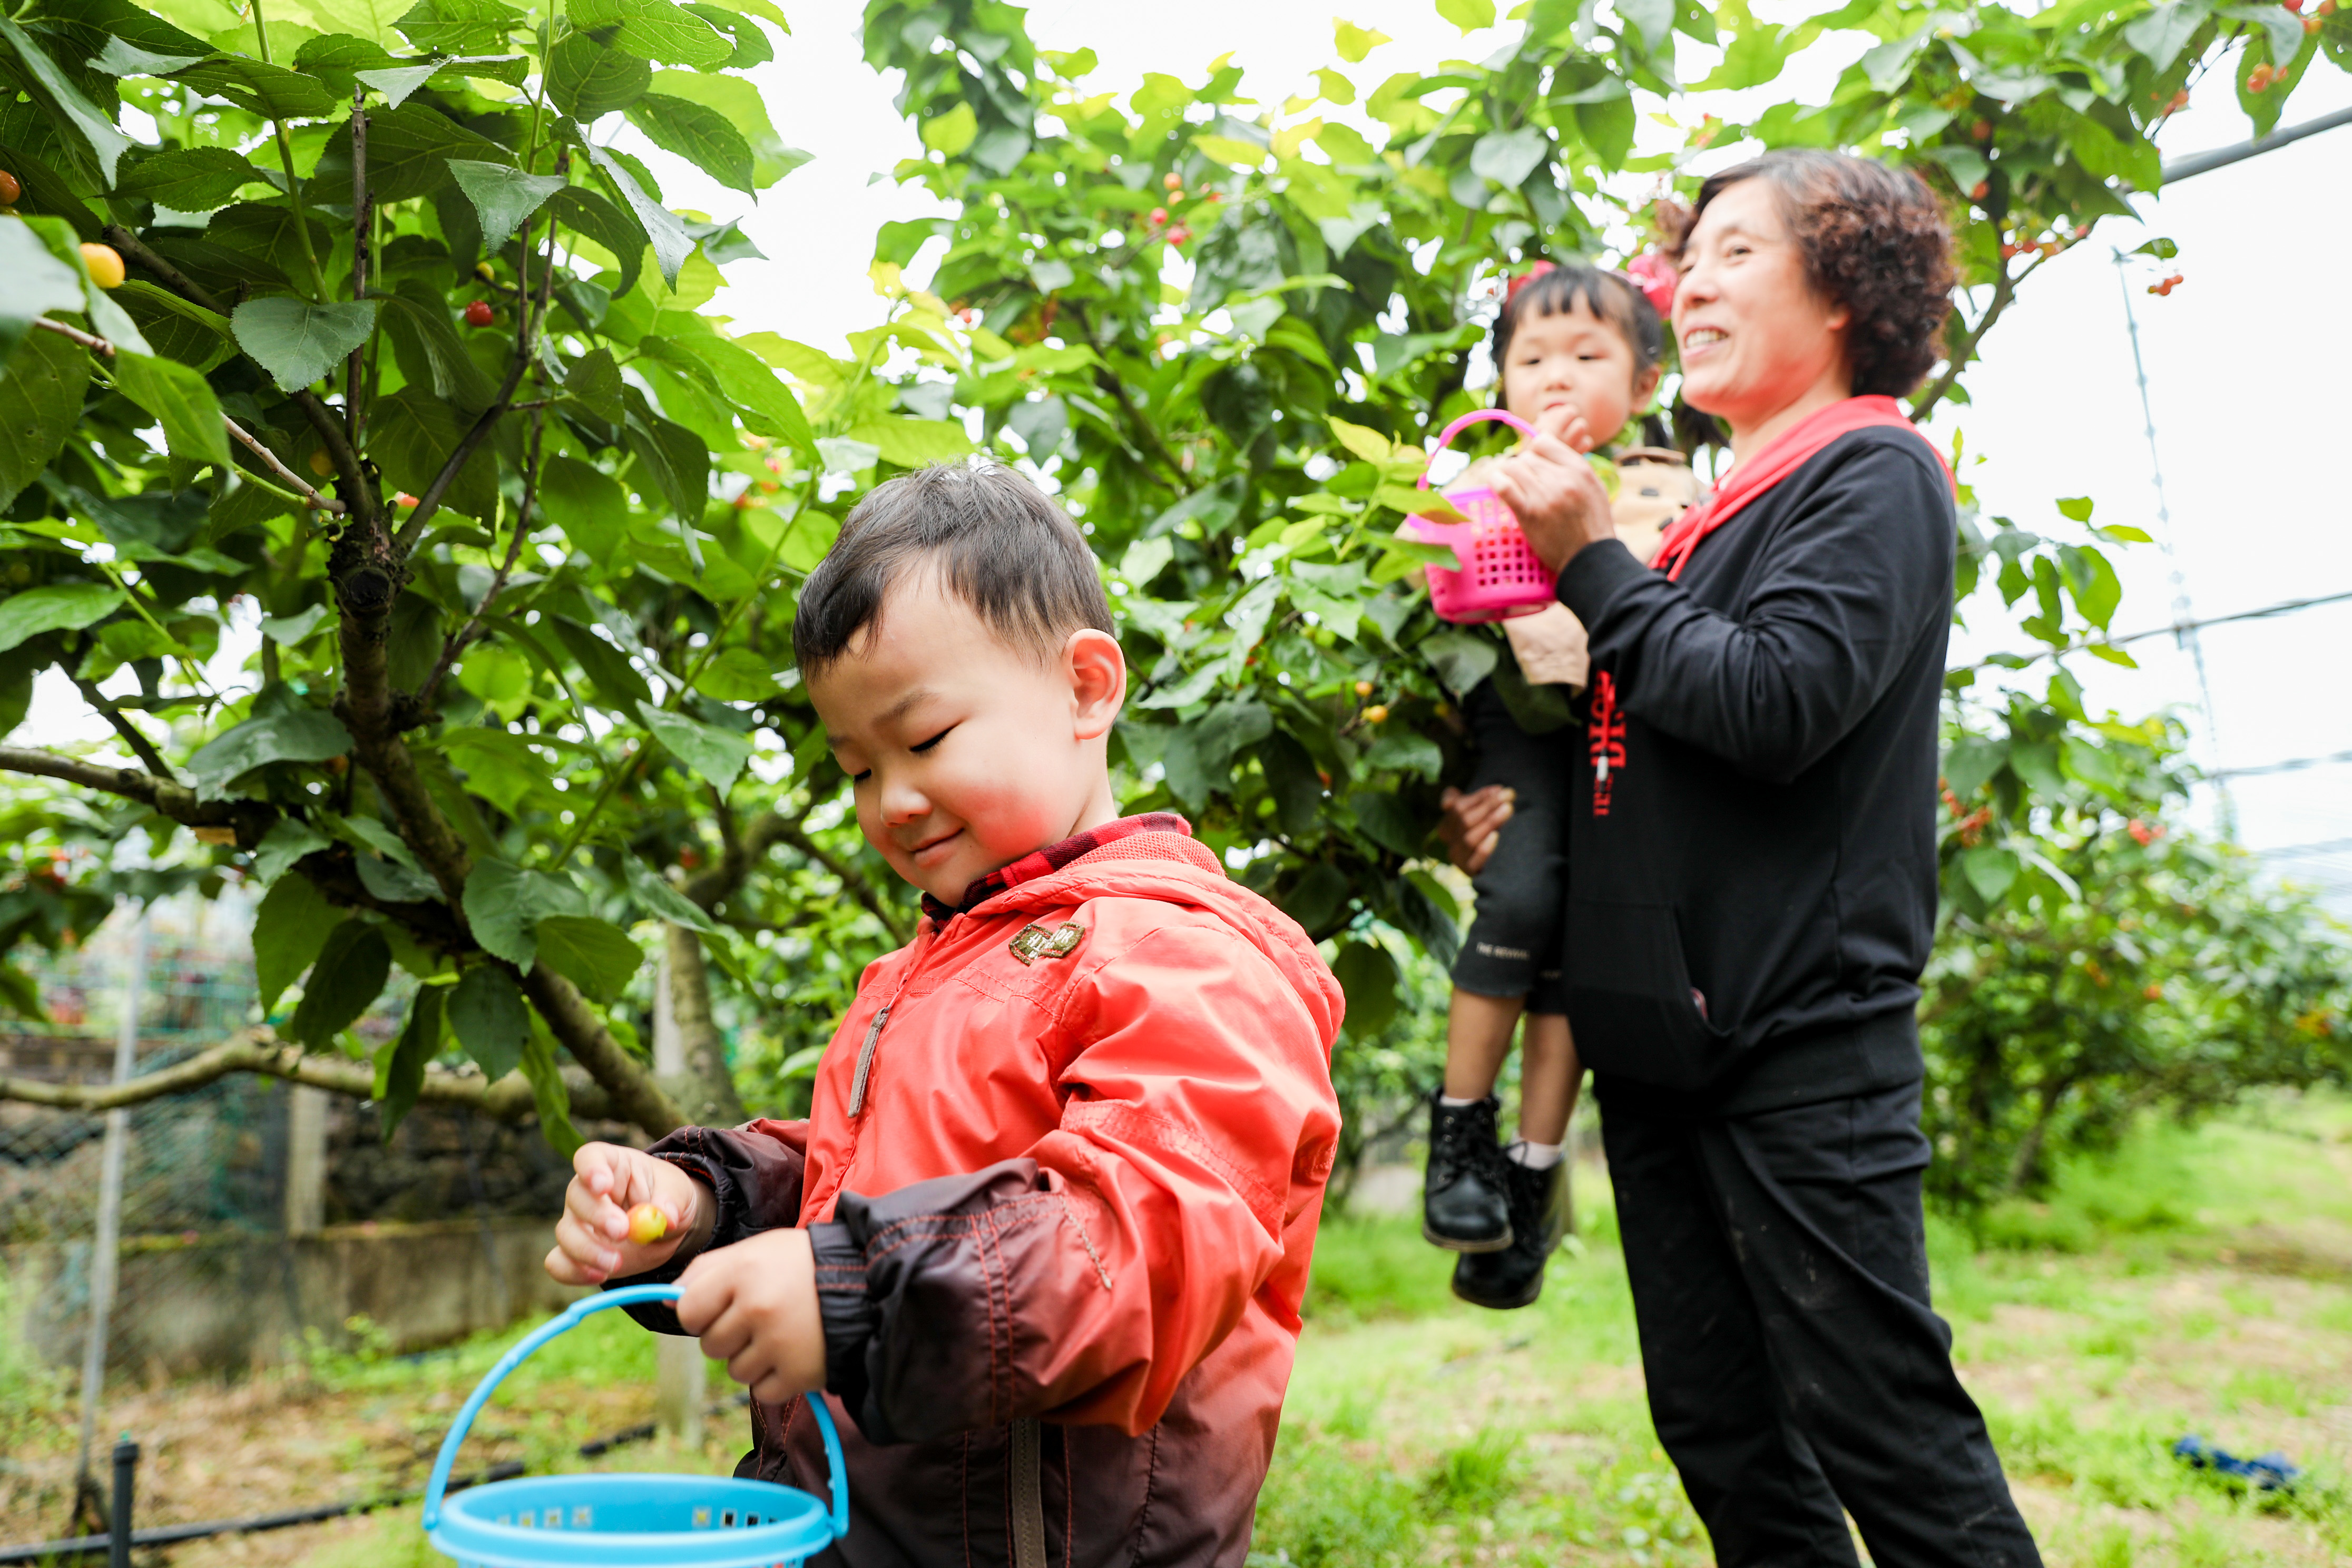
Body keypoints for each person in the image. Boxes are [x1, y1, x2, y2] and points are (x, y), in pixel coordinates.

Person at [543, 465, 1345, 1567]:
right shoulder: (924, 965)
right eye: (857, 768)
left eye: (923, 743)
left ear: (1086, 689)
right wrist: (704, 1204)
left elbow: (1142, 1241)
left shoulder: (1185, 954)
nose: (891, 801)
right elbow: (857, 1179)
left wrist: (852, 1295)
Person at [1474, 150, 2046, 1566]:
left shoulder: (1874, 470)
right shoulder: (1720, 513)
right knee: (1726, 1437)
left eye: (1734, 251)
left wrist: (1594, 565)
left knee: (1889, 1438)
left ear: (1845, 287)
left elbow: (1776, 704)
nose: (1689, 283)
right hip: (1666, 1046)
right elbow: (1663, 728)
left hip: (1792, 1044)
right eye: (1693, 254)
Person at [1418, 261, 1691, 1315]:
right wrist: (1441, 787)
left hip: (1618, 734)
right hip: (1520, 730)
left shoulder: (1665, 486)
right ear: (1499, 377)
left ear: (1643, 377)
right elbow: (1420, 641)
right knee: (1525, 897)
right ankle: (1461, 1135)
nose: (1557, 377)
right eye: (1531, 359)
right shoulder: (1475, 484)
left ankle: (1530, 1182)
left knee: (1586, 946)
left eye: (1589, 356)